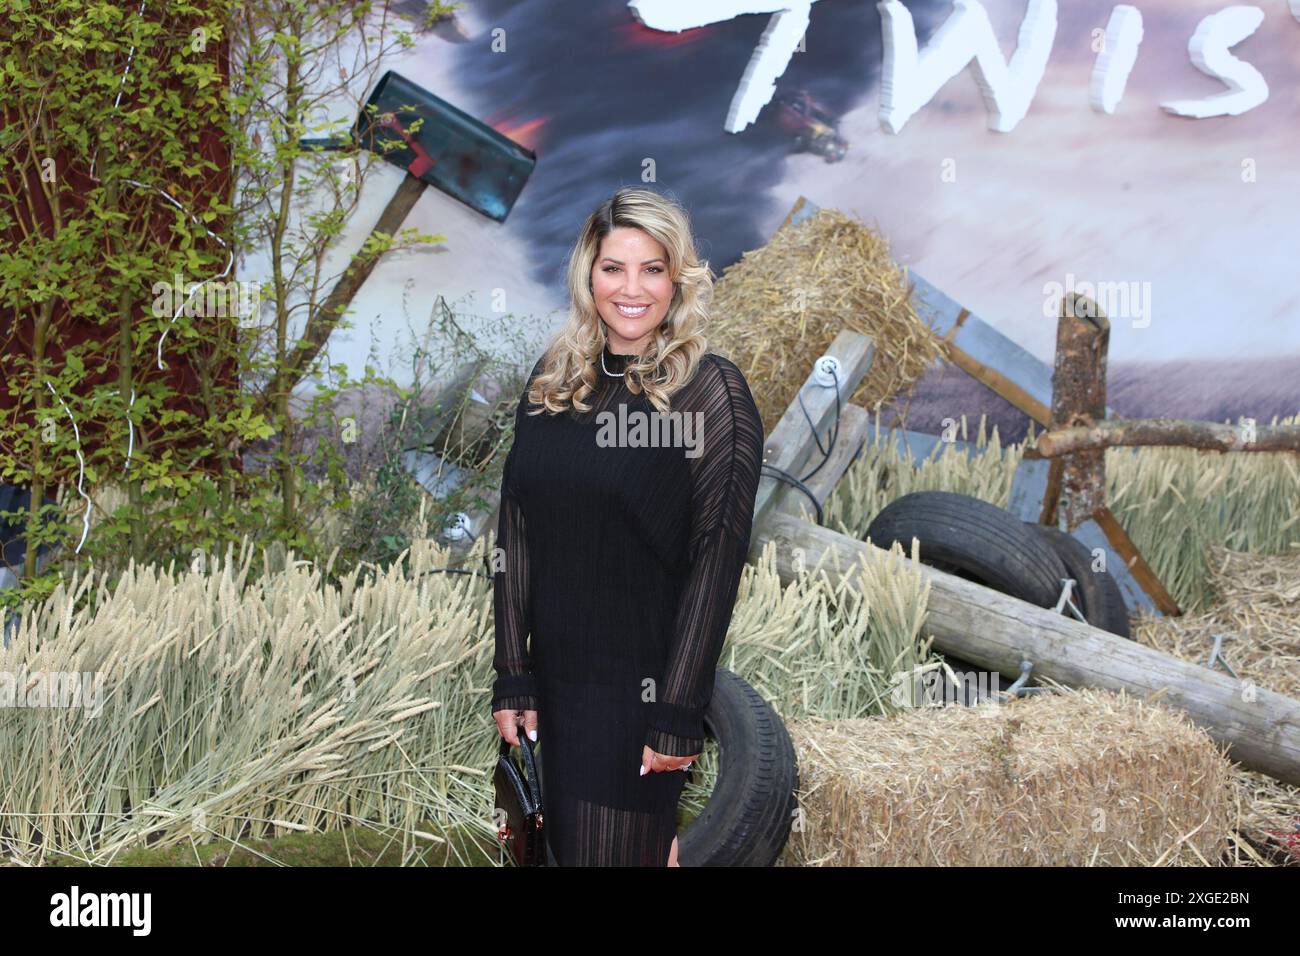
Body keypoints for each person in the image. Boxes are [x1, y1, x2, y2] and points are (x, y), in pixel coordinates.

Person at [490, 187, 764, 866]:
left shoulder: (710, 391)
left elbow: (716, 562)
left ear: (679, 279)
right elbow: (516, 527)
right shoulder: (556, 378)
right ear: (589, 274)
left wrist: (676, 714)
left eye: (653, 269)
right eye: (614, 267)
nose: (632, 288)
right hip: (556, 686)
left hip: (637, 695)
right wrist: (513, 673)